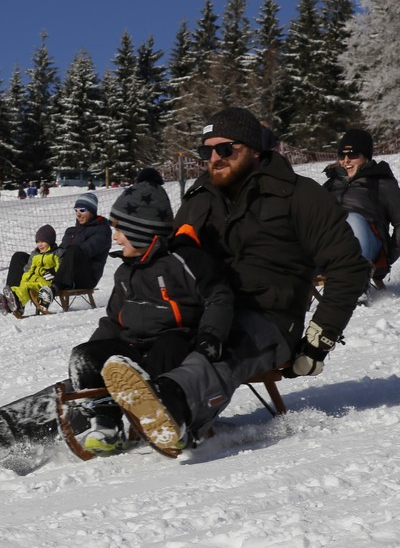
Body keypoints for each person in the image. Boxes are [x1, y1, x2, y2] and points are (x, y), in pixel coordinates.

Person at [97, 106, 370, 457]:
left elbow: (349, 266)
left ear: (254, 149)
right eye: (206, 151)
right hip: (207, 307)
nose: (215, 158)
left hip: (268, 318)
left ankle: (174, 405)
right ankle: (88, 408)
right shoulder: (199, 198)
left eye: (225, 149)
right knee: (150, 337)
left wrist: (320, 339)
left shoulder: (299, 195)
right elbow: (171, 258)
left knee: (225, 345)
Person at [0, 181, 234, 465]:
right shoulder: (126, 272)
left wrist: (211, 337)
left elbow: (219, 297)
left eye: (120, 230)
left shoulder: (185, 261)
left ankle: (160, 413)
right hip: (130, 351)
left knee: (165, 347)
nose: (115, 237)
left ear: (141, 231)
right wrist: (91, 357)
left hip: (173, 347)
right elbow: (113, 320)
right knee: (82, 362)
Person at [322, 128, 400, 285]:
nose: (346, 160)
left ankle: (355, 275)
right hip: (333, 247)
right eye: (341, 156)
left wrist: (388, 257)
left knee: (353, 219)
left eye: (352, 155)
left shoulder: (380, 183)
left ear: (365, 157)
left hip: (368, 246)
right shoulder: (330, 185)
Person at [0, 225, 60, 317]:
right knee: (22, 288)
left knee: (27, 289)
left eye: (43, 241)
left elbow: (60, 269)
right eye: (37, 242)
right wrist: (24, 281)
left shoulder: (56, 254)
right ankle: (8, 303)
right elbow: (28, 270)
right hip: (32, 280)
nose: (40, 245)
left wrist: (54, 274)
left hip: (44, 282)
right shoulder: (35, 254)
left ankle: (14, 302)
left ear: (50, 241)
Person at [52, 191, 110, 292]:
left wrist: (62, 255)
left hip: (86, 278)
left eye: (82, 210)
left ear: (92, 211)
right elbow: (60, 251)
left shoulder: (102, 230)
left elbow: (84, 251)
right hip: (63, 271)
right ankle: (20, 293)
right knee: (24, 257)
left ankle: (54, 288)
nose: (78, 214)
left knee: (74, 250)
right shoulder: (71, 231)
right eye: (76, 210)